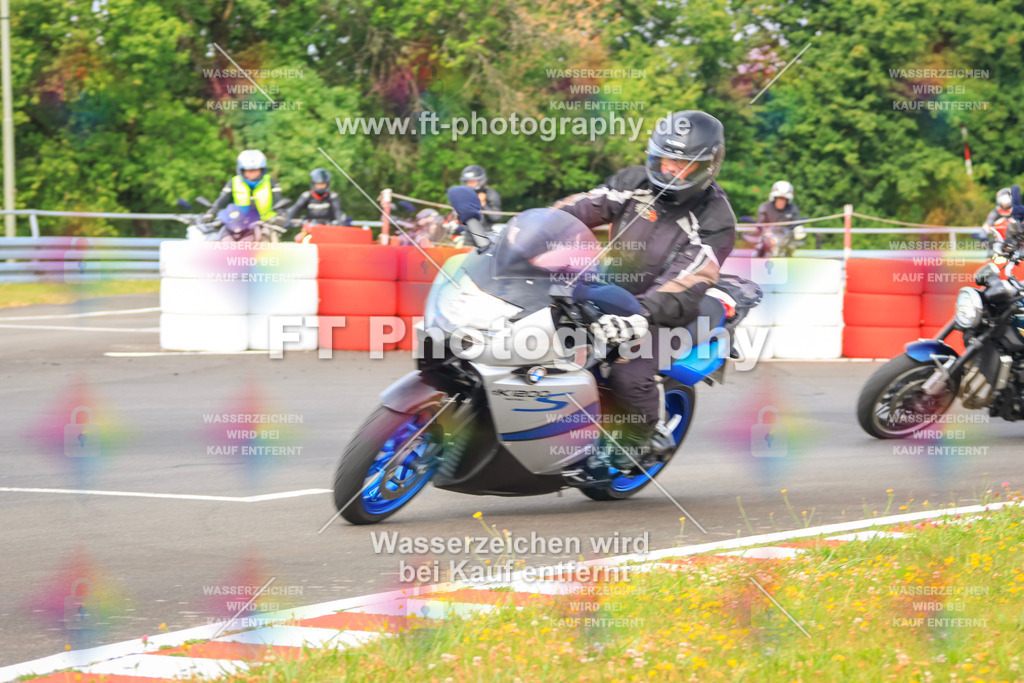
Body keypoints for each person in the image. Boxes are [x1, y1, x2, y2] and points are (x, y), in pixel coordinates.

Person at [552, 110, 736, 470]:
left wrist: (642, 314)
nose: (669, 172)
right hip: (609, 289)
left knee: (628, 370)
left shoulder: (716, 217)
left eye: (682, 165)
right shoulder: (633, 182)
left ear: (707, 166)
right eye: (664, 161)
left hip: (667, 311)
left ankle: (641, 440)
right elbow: (578, 208)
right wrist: (519, 230)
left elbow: (690, 277)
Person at [206, 150, 287, 228]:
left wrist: (281, 216)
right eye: (248, 171)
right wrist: (211, 213)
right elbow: (221, 201)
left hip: (267, 225)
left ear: (262, 170)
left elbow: (279, 202)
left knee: (271, 238)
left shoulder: (271, 182)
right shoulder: (233, 182)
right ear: (241, 171)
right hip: (238, 225)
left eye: (255, 170)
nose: (252, 174)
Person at [288, 168, 350, 242]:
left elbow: (338, 212)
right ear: (313, 184)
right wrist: (285, 218)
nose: (320, 187)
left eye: (322, 184)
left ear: (327, 184)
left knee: (335, 241)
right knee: (298, 239)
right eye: (318, 184)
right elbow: (295, 208)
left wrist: (342, 225)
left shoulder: (332, 197)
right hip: (309, 229)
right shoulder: (307, 196)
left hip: (327, 229)